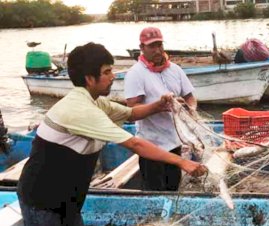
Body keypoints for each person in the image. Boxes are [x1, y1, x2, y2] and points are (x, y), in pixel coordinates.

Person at [17, 42, 207, 226]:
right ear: (89, 78)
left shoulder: (96, 102)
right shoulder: (81, 109)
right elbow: (135, 144)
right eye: (107, 72)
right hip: (42, 200)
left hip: (69, 199)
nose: (113, 76)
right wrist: (183, 162)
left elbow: (131, 113)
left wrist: (159, 105)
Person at [124, 27, 197, 191]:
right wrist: (158, 106)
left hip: (174, 142)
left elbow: (190, 97)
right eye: (152, 46)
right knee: (154, 192)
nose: (157, 50)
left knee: (173, 188)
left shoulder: (175, 69)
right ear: (142, 47)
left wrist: (190, 109)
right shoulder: (135, 73)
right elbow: (131, 111)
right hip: (151, 145)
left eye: (159, 45)